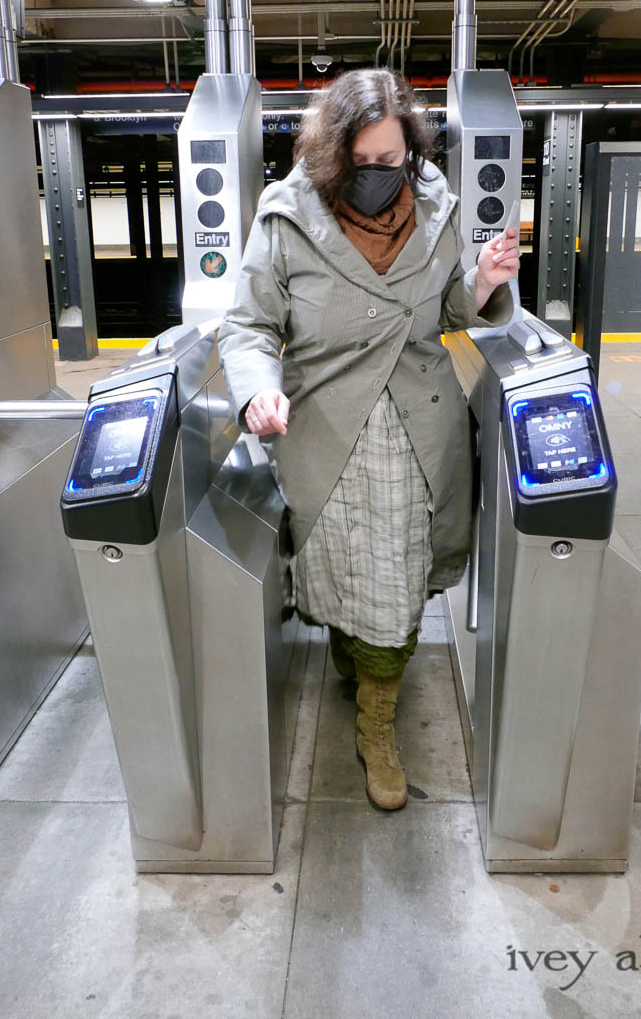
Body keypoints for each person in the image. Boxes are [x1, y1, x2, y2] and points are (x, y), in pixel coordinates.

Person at [218, 69, 520, 811]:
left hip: (418, 427)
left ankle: (376, 726)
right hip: (326, 428)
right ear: (332, 157)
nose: (381, 178)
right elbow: (249, 326)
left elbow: (446, 309)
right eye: (364, 164)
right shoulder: (286, 217)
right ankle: (359, 655)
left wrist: (479, 284)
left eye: (393, 162)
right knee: (344, 577)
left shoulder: (436, 205)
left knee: (393, 582)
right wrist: (258, 386)